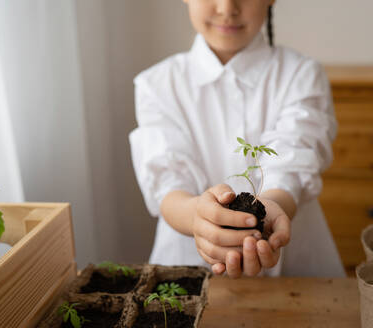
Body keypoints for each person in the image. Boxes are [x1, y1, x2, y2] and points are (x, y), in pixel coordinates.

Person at [130, 0, 345, 278]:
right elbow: (168, 185)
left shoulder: (302, 75)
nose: (227, 8)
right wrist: (200, 219)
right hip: (187, 260)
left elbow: (293, 158)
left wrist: (269, 210)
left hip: (294, 263)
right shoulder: (157, 84)